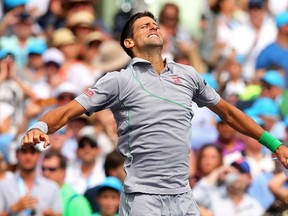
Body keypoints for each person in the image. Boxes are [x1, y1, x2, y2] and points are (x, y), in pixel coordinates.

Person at [21, 11, 288, 216]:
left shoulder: (188, 75)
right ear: (129, 42)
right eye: (144, 25)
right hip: (143, 198)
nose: (153, 26)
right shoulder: (118, 80)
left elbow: (229, 113)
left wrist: (274, 145)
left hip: (183, 195)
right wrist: (40, 127)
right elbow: (68, 111)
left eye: (155, 24)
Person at [0, 144, 62, 216]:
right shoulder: (3, 186)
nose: (28, 157)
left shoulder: (51, 187)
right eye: (24, 152)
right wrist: (13, 209)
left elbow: (59, 213)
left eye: (32, 152)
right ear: (16, 155)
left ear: (38, 156)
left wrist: (51, 214)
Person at [41, 150, 92, 216]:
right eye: (43, 169)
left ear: (63, 172)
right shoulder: (37, 193)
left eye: (52, 169)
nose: (46, 173)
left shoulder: (76, 201)